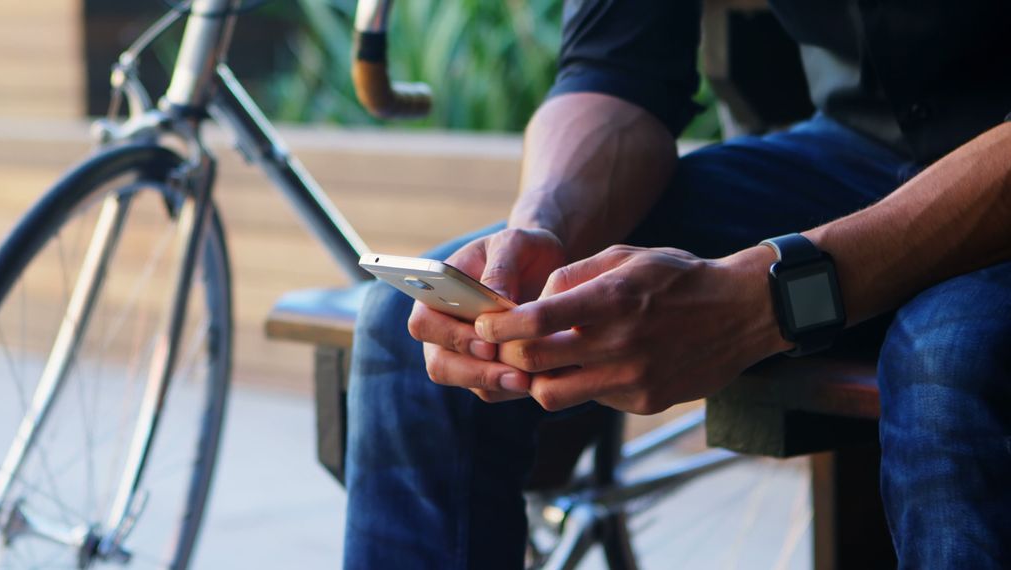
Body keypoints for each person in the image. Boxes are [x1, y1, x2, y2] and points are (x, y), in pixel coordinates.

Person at [342, 0, 1011, 568]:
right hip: (860, 145)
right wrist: (542, 236)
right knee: (411, 338)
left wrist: (771, 299)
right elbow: (616, 70)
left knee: (951, 359)